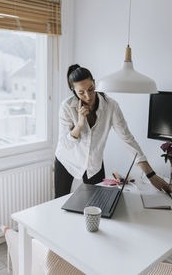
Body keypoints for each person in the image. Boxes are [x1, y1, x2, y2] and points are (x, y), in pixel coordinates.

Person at [54, 64, 172, 198]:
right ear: (73, 90)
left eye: (91, 89)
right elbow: (65, 144)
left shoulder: (111, 106)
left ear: (94, 82)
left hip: (94, 163)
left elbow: (128, 140)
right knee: (58, 203)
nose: (88, 96)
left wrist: (151, 175)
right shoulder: (67, 107)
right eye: (81, 92)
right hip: (67, 160)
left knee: (99, 202)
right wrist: (80, 124)